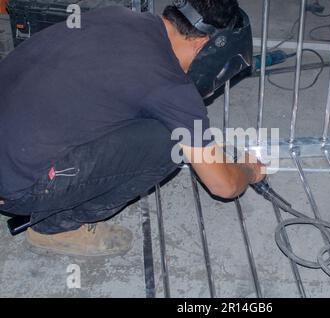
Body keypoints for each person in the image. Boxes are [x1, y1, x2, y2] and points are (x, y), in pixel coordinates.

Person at [0, 0, 265, 257]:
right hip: (17, 188)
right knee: (169, 142)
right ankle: (57, 228)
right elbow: (223, 185)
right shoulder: (173, 89)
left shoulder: (117, 15)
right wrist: (248, 171)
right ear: (202, 44)